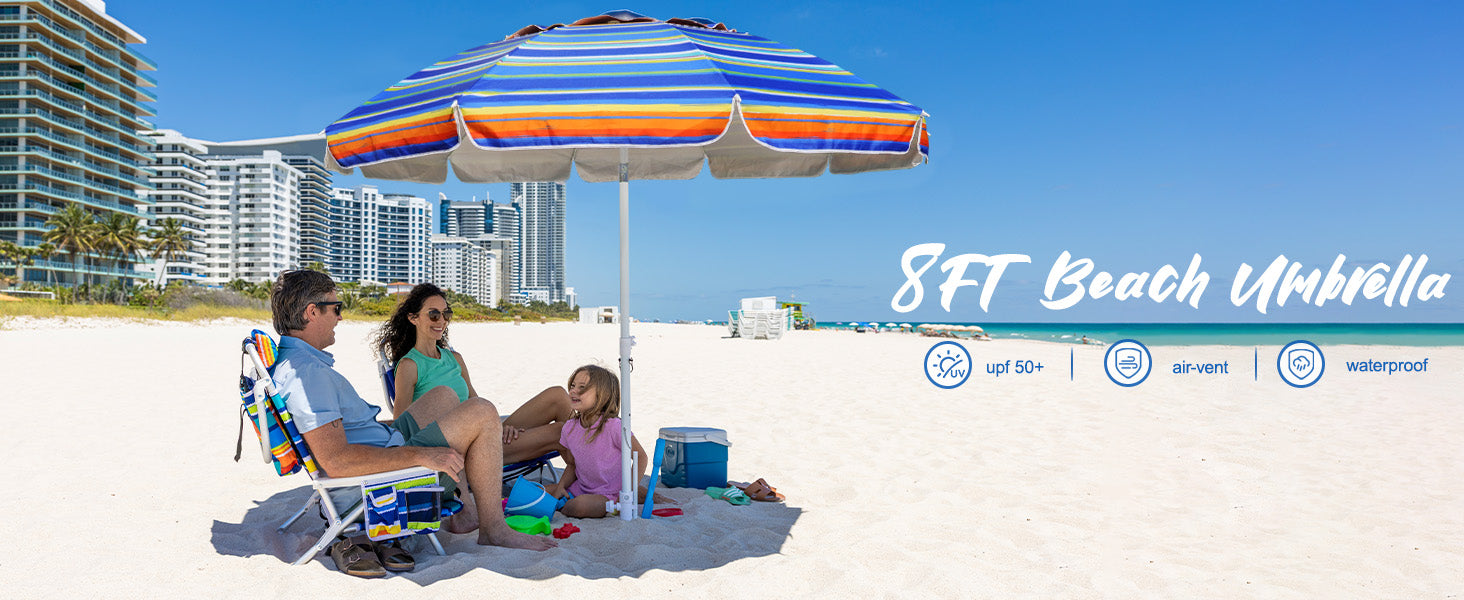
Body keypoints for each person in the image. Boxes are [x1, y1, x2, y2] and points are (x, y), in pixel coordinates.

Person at [268, 270, 554, 578]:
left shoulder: (300, 363)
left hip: (383, 444)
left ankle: (471, 505)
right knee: (483, 412)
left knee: (443, 395)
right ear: (312, 312)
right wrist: (419, 455)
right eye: (336, 307)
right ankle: (494, 529)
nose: (339, 317)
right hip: (377, 476)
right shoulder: (308, 375)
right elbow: (336, 462)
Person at [371, 283, 572, 466]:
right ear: (413, 318)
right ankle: (588, 483)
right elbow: (402, 427)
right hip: (460, 445)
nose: (441, 321)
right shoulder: (410, 365)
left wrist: (500, 427)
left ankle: (590, 474)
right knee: (562, 432)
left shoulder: (454, 358)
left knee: (558, 395)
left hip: (482, 428)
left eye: (445, 314)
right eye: (433, 315)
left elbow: (476, 402)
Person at [544, 365, 657, 518]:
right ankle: (559, 502)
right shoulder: (569, 428)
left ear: (601, 396)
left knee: (579, 506)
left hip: (609, 495)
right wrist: (561, 487)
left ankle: (561, 506)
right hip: (580, 488)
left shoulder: (614, 426)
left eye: (582, 388)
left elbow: (641, 457)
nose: (573, 391)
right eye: (573, 386)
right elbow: (572, 464)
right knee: (538, 491)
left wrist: (627, 494)